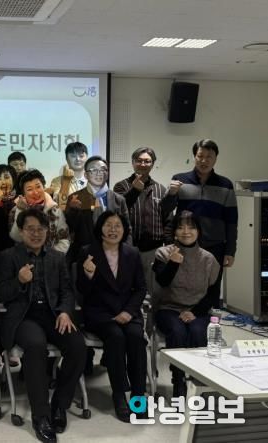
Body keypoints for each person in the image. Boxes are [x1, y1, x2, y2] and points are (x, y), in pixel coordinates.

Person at [0, 209, 86, 442]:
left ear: (48, 231)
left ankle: (59, 405)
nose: (36, 234)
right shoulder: (8, 256)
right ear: (21, 231)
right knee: (36, 346)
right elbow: (0, 293)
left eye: (41, 229)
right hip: (23, 317)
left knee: (78, 346)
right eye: (30, 229)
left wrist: (65, 312)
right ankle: (41, 416)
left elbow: (67, 291)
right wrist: (19, 281)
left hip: (53, 314)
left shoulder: (57, 257)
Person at [77, 211, 147, 423]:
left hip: (128, 311)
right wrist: (88, 275)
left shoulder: (132, 253)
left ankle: (138, 396)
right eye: (108, 225)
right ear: (100, 228)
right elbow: (81, 291)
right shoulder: (88, 252)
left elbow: (141, 288)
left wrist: (128, 311)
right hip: (100, 314)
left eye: (118, 225)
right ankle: (119, 394)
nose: (113, 229)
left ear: (124, 230)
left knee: (136, 337)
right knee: (116, 337)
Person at [152, 211, 220, 398]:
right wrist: (173, 263)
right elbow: (162, 282)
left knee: (197, 331)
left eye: (191, 227)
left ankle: (199, 379)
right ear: (174, 232)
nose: (186, 232)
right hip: (168, 308)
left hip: (198, 310)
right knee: (178, 331)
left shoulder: (209, 259)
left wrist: (194, 312)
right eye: (180, 227)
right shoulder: (163, 253)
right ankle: (178, 379)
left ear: (198, 231)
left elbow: (213, 294)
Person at [167, 139, 237, 306]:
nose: (204, 160)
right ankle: (182, 316)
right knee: (183, 285)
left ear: (215, 158)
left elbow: (232, 220)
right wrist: (171, 194)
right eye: (200, 156)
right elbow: (166, 210)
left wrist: (230, 250)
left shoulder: (225, 185)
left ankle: (208, 319)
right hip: (185, 245)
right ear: (194, 157)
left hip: (215, 246)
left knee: (212, 287)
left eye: (209, 156)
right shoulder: (179, 180)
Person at [113, 147, 174, 297]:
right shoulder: (121, 186)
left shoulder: (160, 189)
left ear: (153, 164)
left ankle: (152, 313)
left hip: (154, 249)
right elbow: (117, 211)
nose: (143, 164)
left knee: (154, 290)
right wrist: (134, 190)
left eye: (147, 161)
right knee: (128, 288)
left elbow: (168, 219)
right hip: (128, 248)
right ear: (133, 162)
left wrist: (169, 244)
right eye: (139, 160)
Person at [65, 156, 130, 263]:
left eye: (103, 169)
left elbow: (127, 229)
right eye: (94, 170)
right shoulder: (75, 198)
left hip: (112, 256)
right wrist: (73, 211)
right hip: (84, 256)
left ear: (107, 173)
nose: (99, 173)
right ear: (86, 175)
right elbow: (70, 229)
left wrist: (125, 253)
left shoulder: (119, 199)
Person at [10, 169, 70, 254]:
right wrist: (20, 210)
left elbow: (64, 239)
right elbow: (16, 238)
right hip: (24, 259)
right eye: (29, 189)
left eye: (38, 187)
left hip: (52, 258)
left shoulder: (55, 210)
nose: (35, 192)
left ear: (44, 187)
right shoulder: (15, 210)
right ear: (23, 193)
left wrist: (51, 257)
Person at [48, 142, 89, 210]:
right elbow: (60, 206)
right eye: (73, 156)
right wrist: (66, 181)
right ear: (66, 159)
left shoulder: (92, 179)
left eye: (81, 156)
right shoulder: (57, 181)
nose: (78, 159)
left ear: (87, 158)